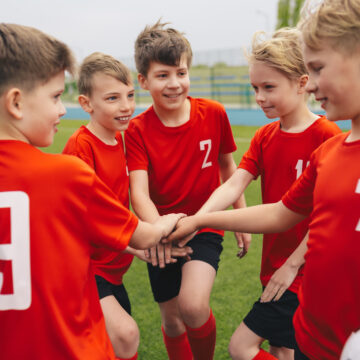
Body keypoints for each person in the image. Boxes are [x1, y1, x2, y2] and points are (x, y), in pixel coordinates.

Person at [168, 1, 360, 359]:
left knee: (242, 346)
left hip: (300, 279)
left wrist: (292, 264)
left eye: (318, 69)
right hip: (289, 284)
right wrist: (198, 220)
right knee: (283, 348)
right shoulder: (308, 147)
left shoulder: (326, 136)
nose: (259, 98)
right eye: (255, 87)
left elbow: (317, 225)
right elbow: (271, 207)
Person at [0, 23, 184, 360]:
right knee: (124, 337)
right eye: (55, 97)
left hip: (105, 273)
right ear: (16, 102)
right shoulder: (64, 171)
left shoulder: (122, 141)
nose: (61, 109)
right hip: (69, 323)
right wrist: (170, 222)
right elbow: (139, 235)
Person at [125, 20, 248, 360]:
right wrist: (157, 233)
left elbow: (229, 168)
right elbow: (139, 193)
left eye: (180, 73)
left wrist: (239, 215)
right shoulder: (137, 130)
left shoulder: (214, 114)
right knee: (173, 321)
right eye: (163, 75)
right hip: (160, 230)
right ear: (144, 81)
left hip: (204, 223)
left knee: (192, 306)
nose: (174, 83)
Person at [62, 52, 191, 360]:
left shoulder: (121, 140)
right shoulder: (81, 148)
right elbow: (84, 219)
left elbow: (113, 214)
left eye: (130, 95)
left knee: (113, 346)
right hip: (83, 270)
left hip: (112, 269)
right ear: (86, 104)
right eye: (112, 98)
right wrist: (157, 228)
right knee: (126, 334)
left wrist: (136, 250)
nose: (126, 106)